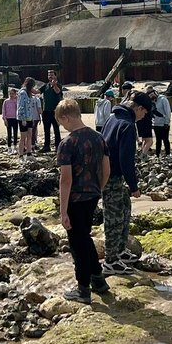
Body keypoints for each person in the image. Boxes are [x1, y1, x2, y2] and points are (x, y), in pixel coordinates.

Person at [56, 98, 111, 303]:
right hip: (93, 194)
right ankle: (98, 278)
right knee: (84, 236)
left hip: (75, 198)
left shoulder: (68, 143)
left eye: (62, 123)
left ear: (66, 117)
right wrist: (98, 190)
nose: (63, 127)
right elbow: (107, 170)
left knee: (77, 243)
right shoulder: (99, 138)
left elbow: (65, 179)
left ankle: (83, 288)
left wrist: (63, 212)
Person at [101, 90, 152, 273]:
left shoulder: (113, 117)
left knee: (124, 208)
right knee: (113, 218)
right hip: (112, 176)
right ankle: (110, 261)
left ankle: (120, 251)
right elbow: (126, 160)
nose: (144, 117)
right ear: (138, 108)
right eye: (145, 113)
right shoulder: (127, 125)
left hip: (107, 174)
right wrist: (134, 186)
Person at [41, 71, 64, 151]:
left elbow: (58, 92)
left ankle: (58, 146)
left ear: (55, 76)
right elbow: (37, 92)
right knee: (46, 130)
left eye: (51, 74)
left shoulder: (59, 85)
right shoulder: (45, 86)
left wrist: (54, 85)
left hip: (55, 111)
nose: (50, 76)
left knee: (56, 129)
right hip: (46, 111)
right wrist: (27, 88)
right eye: (49, 75)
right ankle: (46, 146)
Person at [16, 78, 37, 157]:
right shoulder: (22, 93)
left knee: (30, 135)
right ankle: (21, 153)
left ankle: (29, 152)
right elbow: (21, 107)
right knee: (23, 136)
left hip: (30, 117)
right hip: (23, 118)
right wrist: (23, 119)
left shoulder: (29, 93)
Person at [150, 87, 172, 155]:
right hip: (156, 124)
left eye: (150, 93)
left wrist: (166, 122)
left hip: (164, 124)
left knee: (165, 140)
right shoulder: (151, 101)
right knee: (158, 140)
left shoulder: (163, 99)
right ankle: (157, 155)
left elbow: (168, 112)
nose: (150, 95)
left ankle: (168, 154)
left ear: (154, 92)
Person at [2, 87, 20, 152]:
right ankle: (9, 147)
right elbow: (3, 111)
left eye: (12, 94)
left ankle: (15, 146)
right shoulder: (6, 101)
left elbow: (18, 108)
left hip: (15, 118)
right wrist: (4, 119)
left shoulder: (17, 101)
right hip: (8, 119)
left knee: (15, 133)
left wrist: (16, 99)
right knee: (9, 133)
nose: (11, 95)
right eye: (10, 93)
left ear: (15, 94)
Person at [30, 85, 44, 150]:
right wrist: (40, 116)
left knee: (29, 131)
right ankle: (33, 144)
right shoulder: (37, 99)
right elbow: (39, 109)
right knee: (34, 131)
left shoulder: (27, 99)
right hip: (35, 117)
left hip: (27, 117)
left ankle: (29, 144)